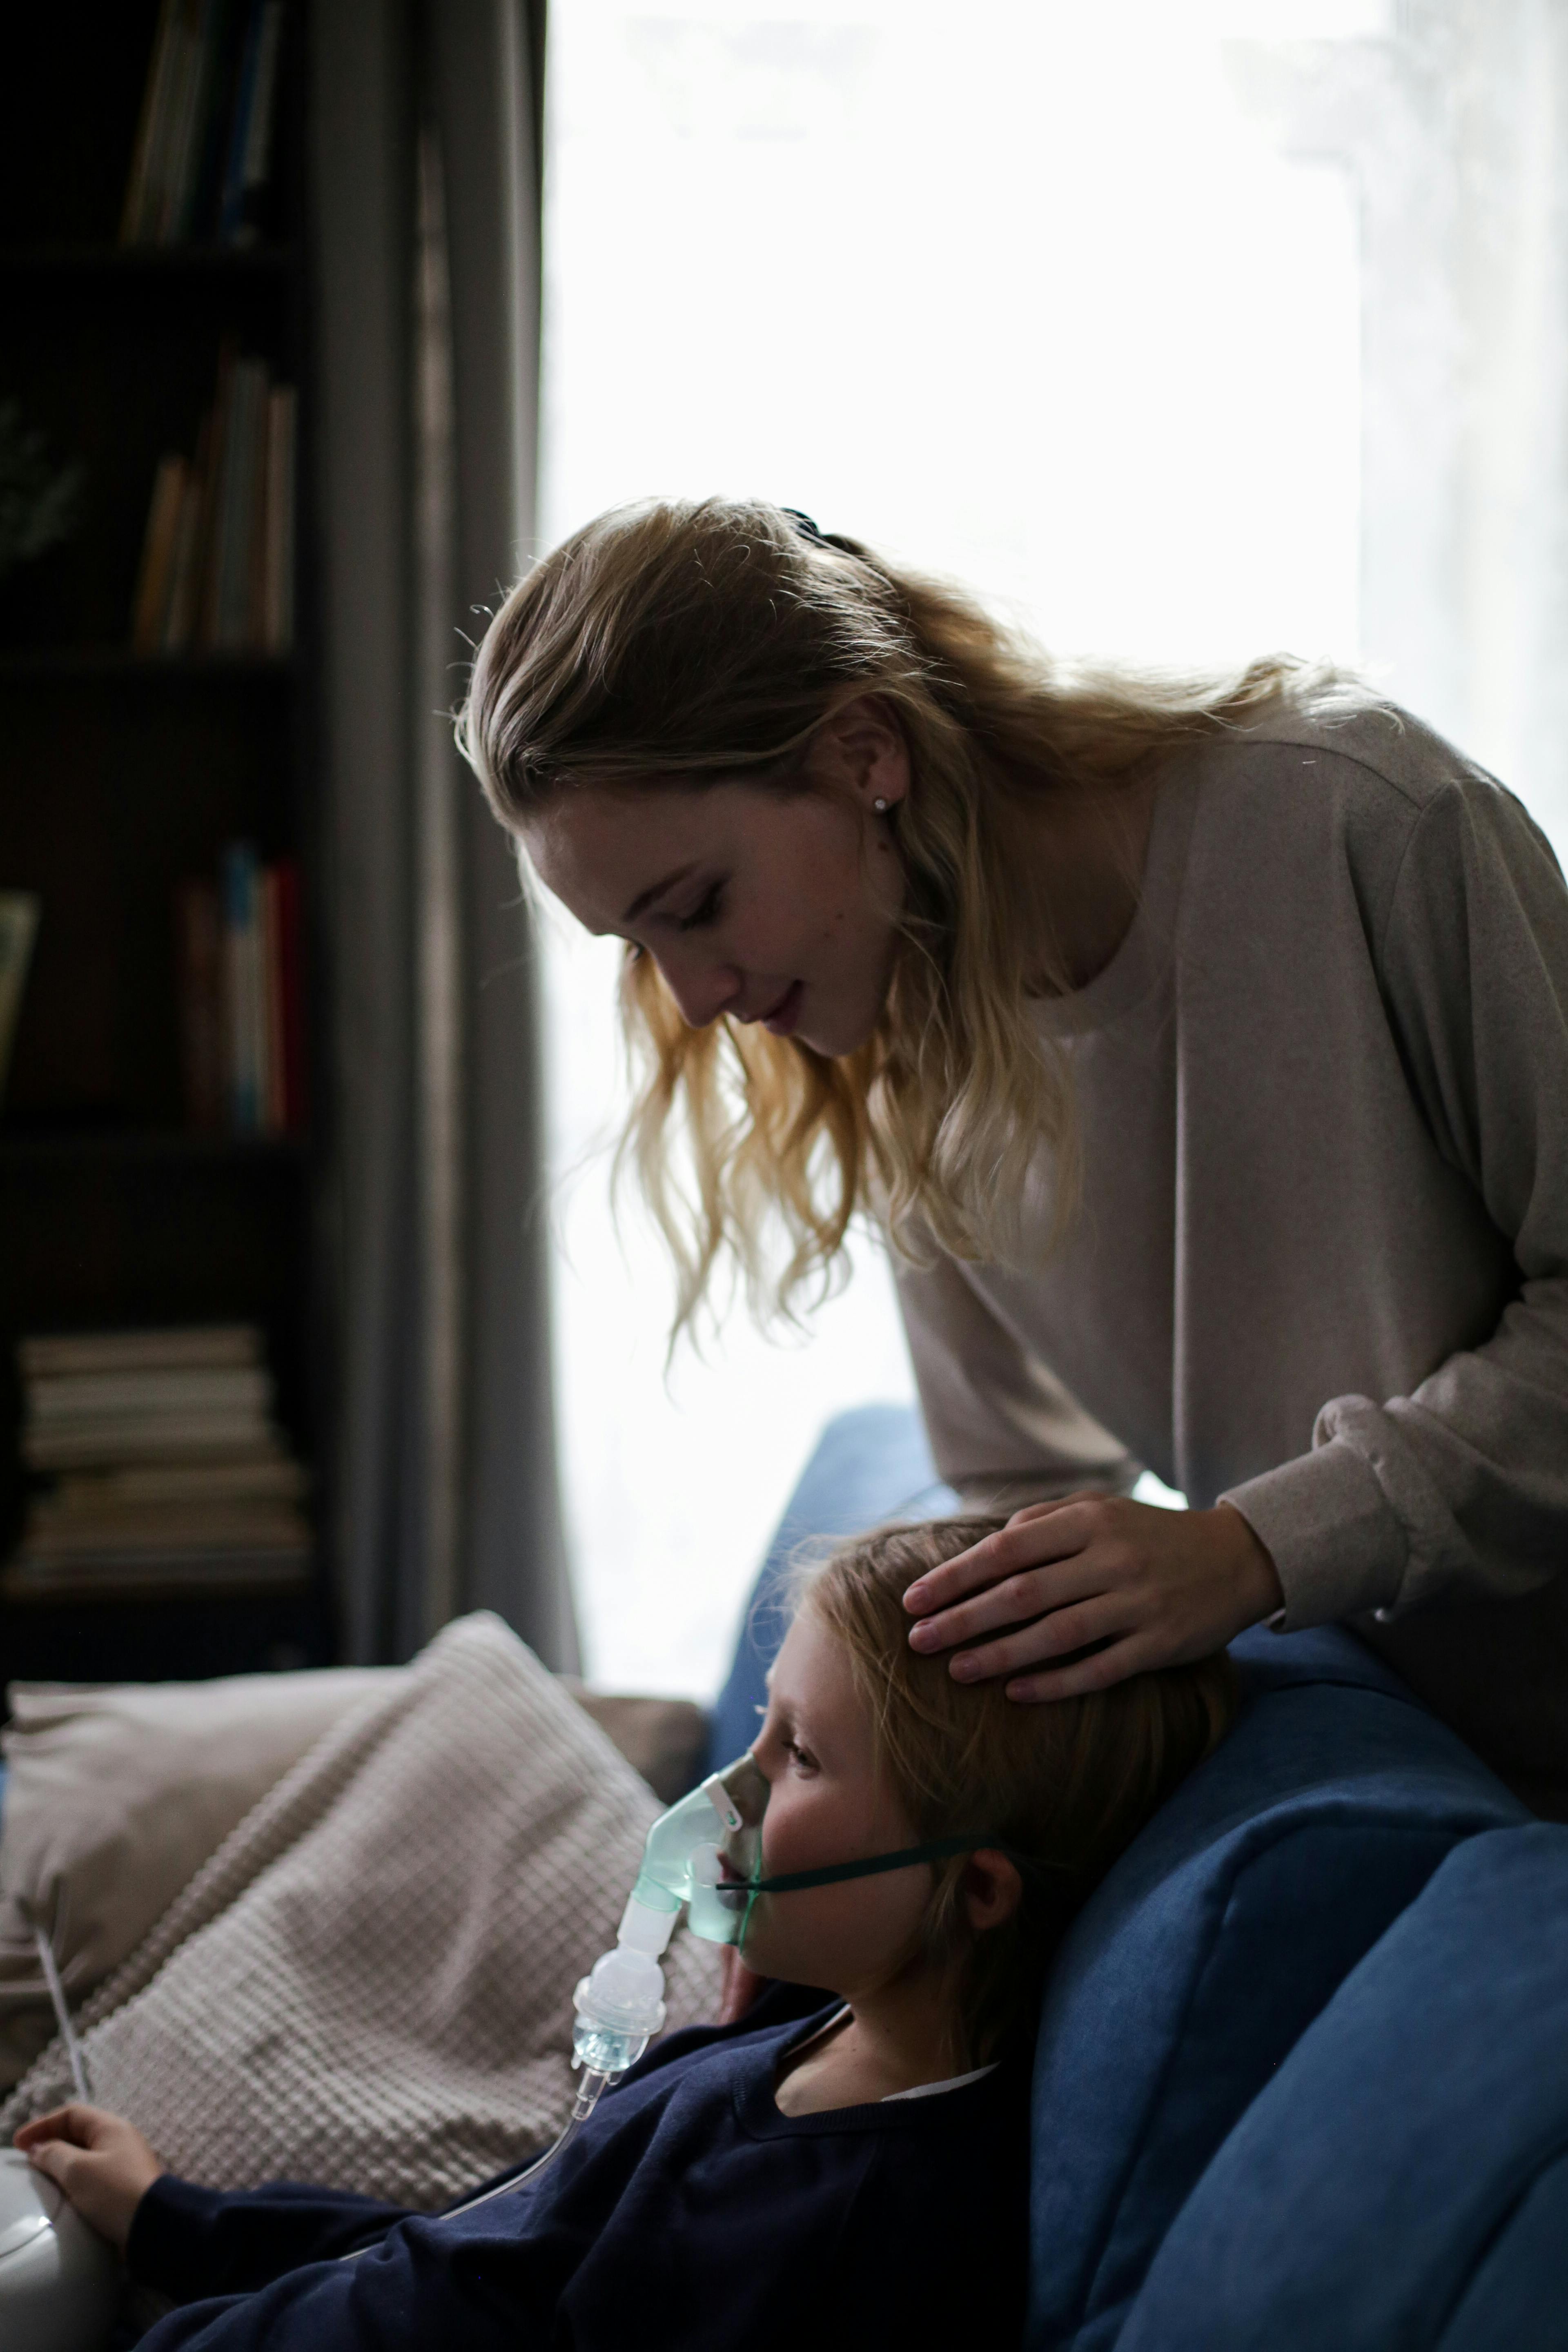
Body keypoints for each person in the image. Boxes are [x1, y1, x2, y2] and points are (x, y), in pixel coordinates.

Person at [459, 497, 1568, 1812]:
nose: (693, 999)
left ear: (864, 750)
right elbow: (1019, 1498)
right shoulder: (914, 1053)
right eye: (640, 948)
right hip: (1406, 1769)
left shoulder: (1356, 820)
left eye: (696, 907)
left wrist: (1255, 1549)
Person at [15, 1520, 1233, 2351]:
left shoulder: (845, 2231)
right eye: (762, 1728)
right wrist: (177, 2218)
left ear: (975, 1893)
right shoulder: (807, 2036)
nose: (730, 1793)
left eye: (801, 1758)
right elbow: (483, 2239)